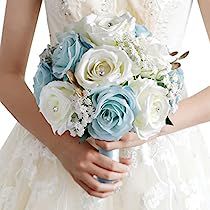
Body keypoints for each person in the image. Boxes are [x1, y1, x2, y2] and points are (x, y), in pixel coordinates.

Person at [0, 0, 210, 210]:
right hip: (54, 147)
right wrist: (62, 146)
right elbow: (6, 74)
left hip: (162, 168)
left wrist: (155, 125)